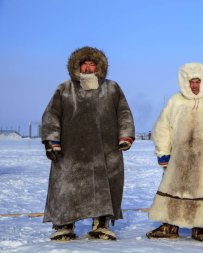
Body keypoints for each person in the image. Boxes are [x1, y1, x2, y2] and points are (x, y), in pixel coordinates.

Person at [41, 46, 135, 241]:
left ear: (99, 67)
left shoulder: (112, 88)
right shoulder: (65, 88)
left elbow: (124, 112)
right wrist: (52, 140)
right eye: (84, 64)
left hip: (105, 150)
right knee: (66, 188)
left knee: (104, 187)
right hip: (70, 151)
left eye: (92, 64)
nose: (88, 68)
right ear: (77, 66)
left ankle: (101, 225)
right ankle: (65, 225)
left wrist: (125, 136)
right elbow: (52, 115)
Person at [146, 62, 203, 242]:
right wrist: (163, 152)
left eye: (198, 81)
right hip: (179, 157)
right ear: (185, 82)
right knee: (174, 189)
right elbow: (162, 127)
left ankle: (200, 227)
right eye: (191, 82)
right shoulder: (176, 100)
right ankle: (169, 225)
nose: (194, 86)